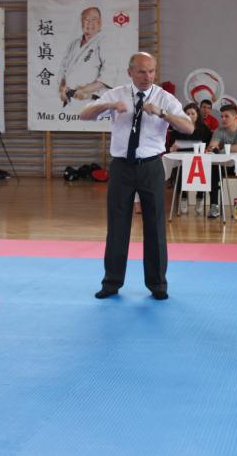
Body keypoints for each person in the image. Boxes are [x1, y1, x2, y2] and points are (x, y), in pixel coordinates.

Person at [80, 52, 193, 300]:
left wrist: (163, 114)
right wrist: (109, 106)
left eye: (151, 71)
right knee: (117, 226)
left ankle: (158, 284)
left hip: (151, 166)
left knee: (155, 227)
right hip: (121, 167)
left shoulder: (164, 98)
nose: (147, 76)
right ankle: (111, 282)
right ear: (130, 72)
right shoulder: (116, 94)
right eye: (142, 71)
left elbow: (188, 127)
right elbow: (84, 114)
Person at [59, 7, 115, 106]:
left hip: (92, 100)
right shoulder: (74, 44)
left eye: (94, 19)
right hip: (70, 100)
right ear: (81, 22)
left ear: (100, 22)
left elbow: (109, 75)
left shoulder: (105, 42)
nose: (89, 23)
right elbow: (63, 69)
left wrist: (84, 90)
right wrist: (62, 88)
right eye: (86, 20)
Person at [169, 102, 213, 214]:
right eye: (187, 114)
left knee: (203, 169)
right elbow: (172, 145)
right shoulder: (178, 128)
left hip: (199, 160)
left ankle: (200, 197)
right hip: (182, 159)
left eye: (192, 114)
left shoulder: (204, 129)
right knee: (180, 171)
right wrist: (173, 147)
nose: (190, 116)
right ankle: (183, 197)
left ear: (197, 115)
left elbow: (208, 145)